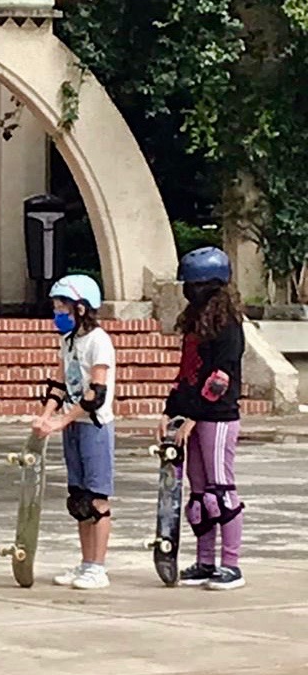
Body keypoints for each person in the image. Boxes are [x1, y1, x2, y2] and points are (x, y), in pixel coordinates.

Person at [162, 247, 246, 590]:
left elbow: (219, 379)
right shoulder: (196, 324)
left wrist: (193, 416)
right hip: (193, 415)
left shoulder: (228, 327)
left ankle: (231, 564)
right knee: (198, 497)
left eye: (195, 284)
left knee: (220, 491)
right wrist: (171, 411)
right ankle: (205, 560)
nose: (190, 291)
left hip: (218, 416)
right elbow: (188, 374)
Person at [35, 274, 116, 590]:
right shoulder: (67, 341)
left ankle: (98, 567)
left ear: (81, 308)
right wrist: (45, 417)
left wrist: (63, 420)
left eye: (62, 307)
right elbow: (58, 384)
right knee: (79, 500)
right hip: (72, 424)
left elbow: (96, 394)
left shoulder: (99, 341)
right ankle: (85, 563)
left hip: (93, 426)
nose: (58, 313)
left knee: (97, 500)